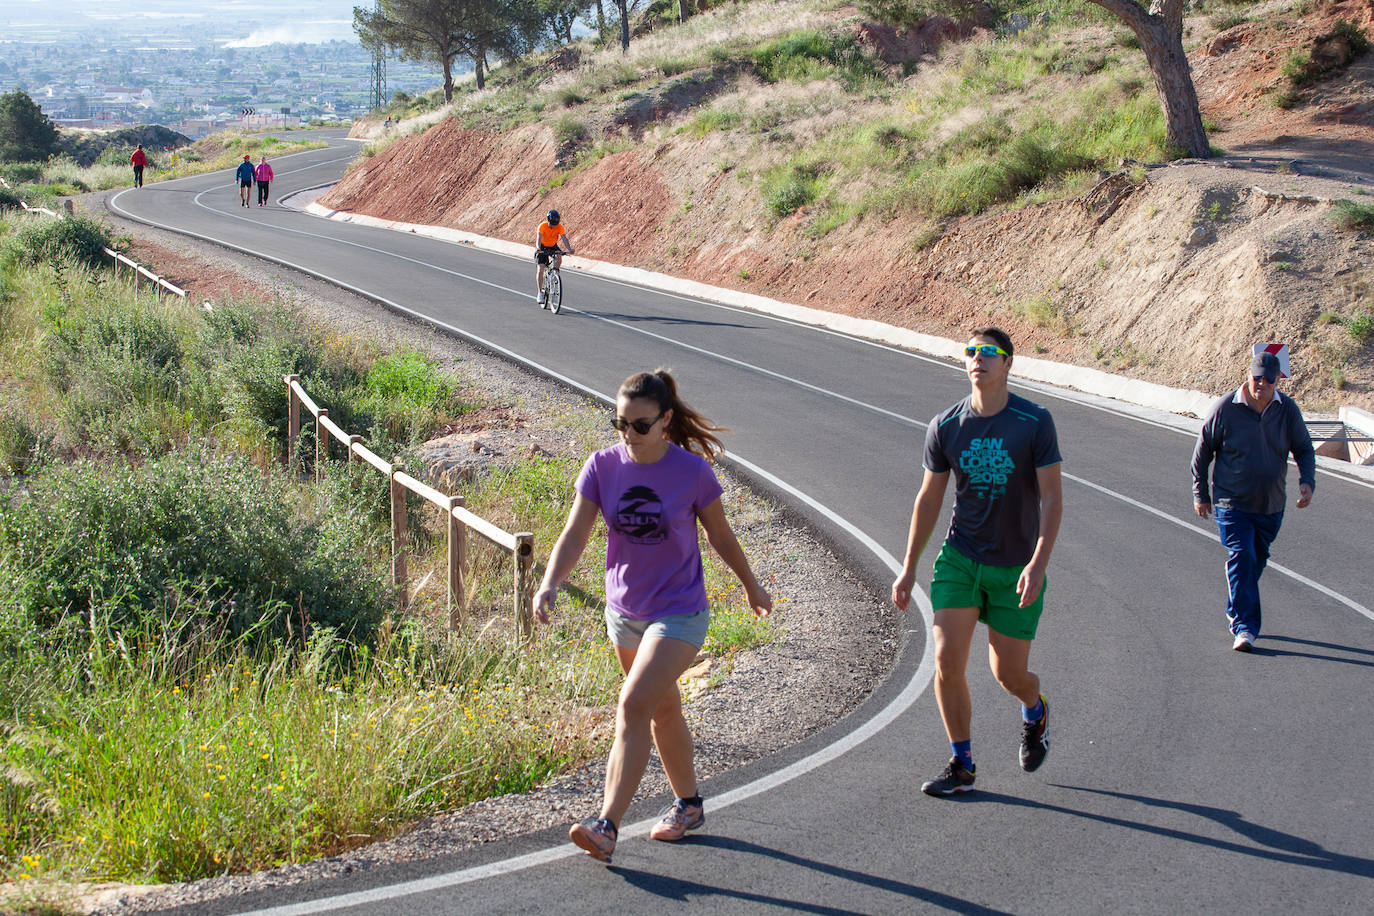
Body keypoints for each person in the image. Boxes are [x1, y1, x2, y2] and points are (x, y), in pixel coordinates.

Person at [534, 369, 772, 863]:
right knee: (662, 709)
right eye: (620, 423)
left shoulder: (691, 473)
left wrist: (752, 584)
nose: (629, 435)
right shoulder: (602, 467)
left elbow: (721, 537)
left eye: (640, 426)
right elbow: (574, 534)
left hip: (679, 613)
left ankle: (606, 825)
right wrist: (550, 583)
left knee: (632, 706)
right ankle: (689, 806)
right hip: (624, 612)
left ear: (665, 421)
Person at [892, 326, 1063, 797]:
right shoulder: (946, 425)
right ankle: (962, 764)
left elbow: (1051, 499)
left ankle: (1035, 709)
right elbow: (928, 500)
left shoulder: (1034, 422)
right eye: (971, 352)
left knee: (1009, 675)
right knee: (946, 659)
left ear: (1008, 363)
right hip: (961, 559)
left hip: (1015, 567)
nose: (978, 360)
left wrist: (1038, 563)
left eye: (989, 353)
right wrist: (909, 567)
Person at [1191, 351, 1315, 652]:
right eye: (1256, 377)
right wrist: (1201, 493)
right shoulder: (1226, 408)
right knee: (1243, 556)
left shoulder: (1287, 410)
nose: (1260, 383)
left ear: (1278, 381)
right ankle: (1245, 627)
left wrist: (1307, 482)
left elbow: (1303, 448)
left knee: (1255, 560)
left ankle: (1237, 602)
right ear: (1249, 375)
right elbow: (1202, 451)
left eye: (1267, 379)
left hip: (1271, 504)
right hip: (1231, 502)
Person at [534, 209, 574, 309]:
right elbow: (539, 238)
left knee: (559, 256)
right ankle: (540, 293)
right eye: (551, 224)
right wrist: (538, 248)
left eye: (555, 224)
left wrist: (569, 249)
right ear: (548, 220)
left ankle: (555, 272)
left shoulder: (559, 227)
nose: (553, 226)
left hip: (552, 245)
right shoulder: (542, 226)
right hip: (542, 247)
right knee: (541, 268)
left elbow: (564, 238)